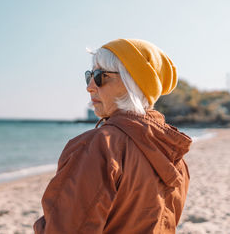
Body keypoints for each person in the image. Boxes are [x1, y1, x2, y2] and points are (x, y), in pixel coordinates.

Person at [33, 38, 192, 233]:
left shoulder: (100, 146)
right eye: (89, 75)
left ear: (131, 83)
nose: (90, 86)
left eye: (100, 76)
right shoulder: (173, 155)